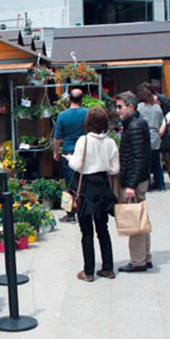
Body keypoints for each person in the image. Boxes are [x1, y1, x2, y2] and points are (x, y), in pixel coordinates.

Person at [68, 107, 119, 282]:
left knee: (86, 231)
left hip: (85, 188)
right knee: (103, 229)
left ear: (88, 123)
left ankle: (88, 271)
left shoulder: (83, 141)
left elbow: (76, 165)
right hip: (103, 186)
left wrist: (69, 158)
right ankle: (108, 268)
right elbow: (115, 169)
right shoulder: (110, 142)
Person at [114, 92, 152, 273]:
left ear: (131, 106)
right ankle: (145, 256)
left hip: (134, 180)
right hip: (138, 178)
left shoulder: (135, 126)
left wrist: (131, 184)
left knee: (135, 218)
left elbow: (138, 157)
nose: (117, 110)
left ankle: (138, 260)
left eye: (120, 106)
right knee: (140, 216)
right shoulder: (135, 123)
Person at [53, 88, 88, 222]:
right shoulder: (87, 113)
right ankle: (84, 211)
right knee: (83, 181)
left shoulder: (62, 115)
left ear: (69, 99)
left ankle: (70, 214)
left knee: (69, 183)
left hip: (68, 152)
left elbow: (57, 137)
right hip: (84, 151)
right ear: (82, 100)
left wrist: (56, 152)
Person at [136, 86, 166, 192]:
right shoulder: (158, 108)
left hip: (145, 136)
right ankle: (161, 184)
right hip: (156, 136)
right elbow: (161, 121)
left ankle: (147, 185)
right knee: (157, 162)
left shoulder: (140, 107)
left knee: (146, 164)